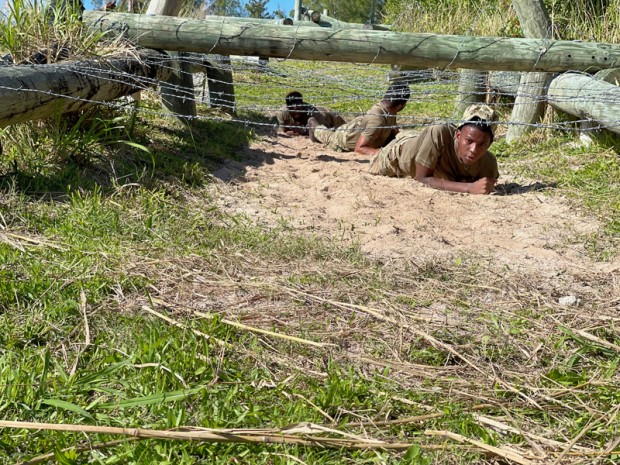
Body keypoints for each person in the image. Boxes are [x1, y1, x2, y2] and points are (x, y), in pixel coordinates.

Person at [368, 104, 499, 195]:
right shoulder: (439, 133)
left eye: (482, 144)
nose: (473, 150)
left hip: (422, 142)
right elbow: (421, 179)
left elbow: (484, 187)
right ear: (458, 135)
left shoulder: (488, 165)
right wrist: (469, 187)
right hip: (397, 155)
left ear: (489, 145)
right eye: (469, 141)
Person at [308, 81, 410, 156]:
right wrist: (383, 153)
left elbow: (393, 130)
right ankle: (314, 125)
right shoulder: (377, 120)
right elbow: (360, 148)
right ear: (401, 106)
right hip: (343, 139)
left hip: (356, 129)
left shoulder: (390, 111)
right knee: (326, 135)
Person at [276, 91, 345, 137]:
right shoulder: (282, 114)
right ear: (288, 107)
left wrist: (304, 131)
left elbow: (325, 131)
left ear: (302, 105)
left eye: (299, 108)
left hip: (330, 118)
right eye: (293, 109)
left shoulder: (313, 113)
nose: (296, 112)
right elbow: (286, 131)